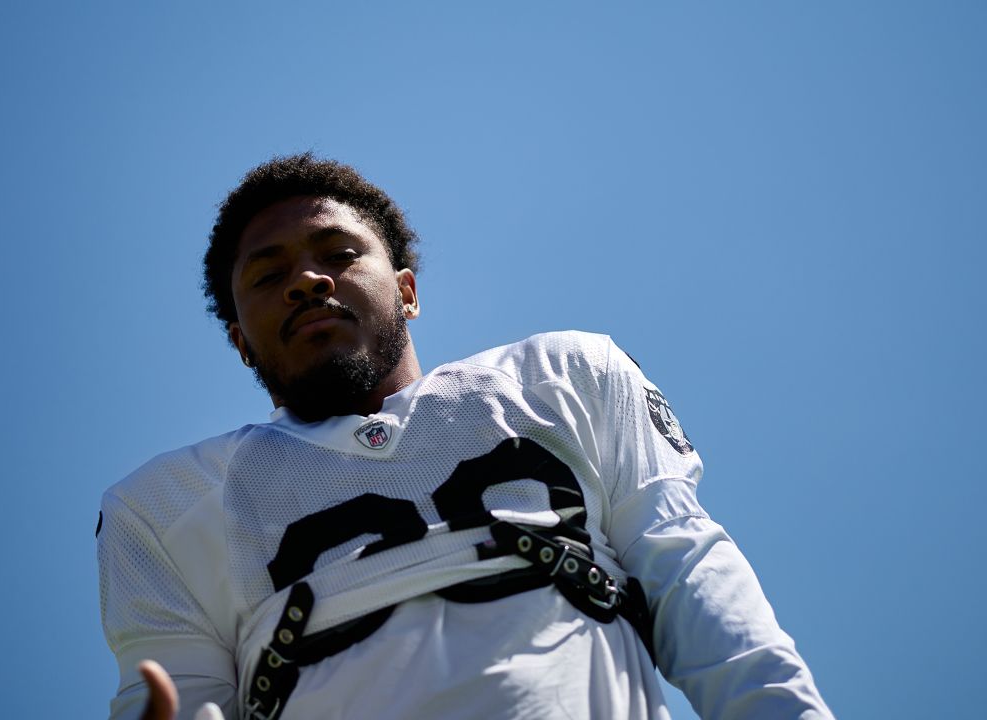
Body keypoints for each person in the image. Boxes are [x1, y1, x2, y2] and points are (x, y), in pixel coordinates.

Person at [96, 154, 833, 719]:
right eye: (269, 274)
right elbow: (178, 697)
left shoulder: (564, 374)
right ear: (241, 343)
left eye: (339, 253)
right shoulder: (161, 507)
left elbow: (691, 578)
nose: (307, 280)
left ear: (407, 290)